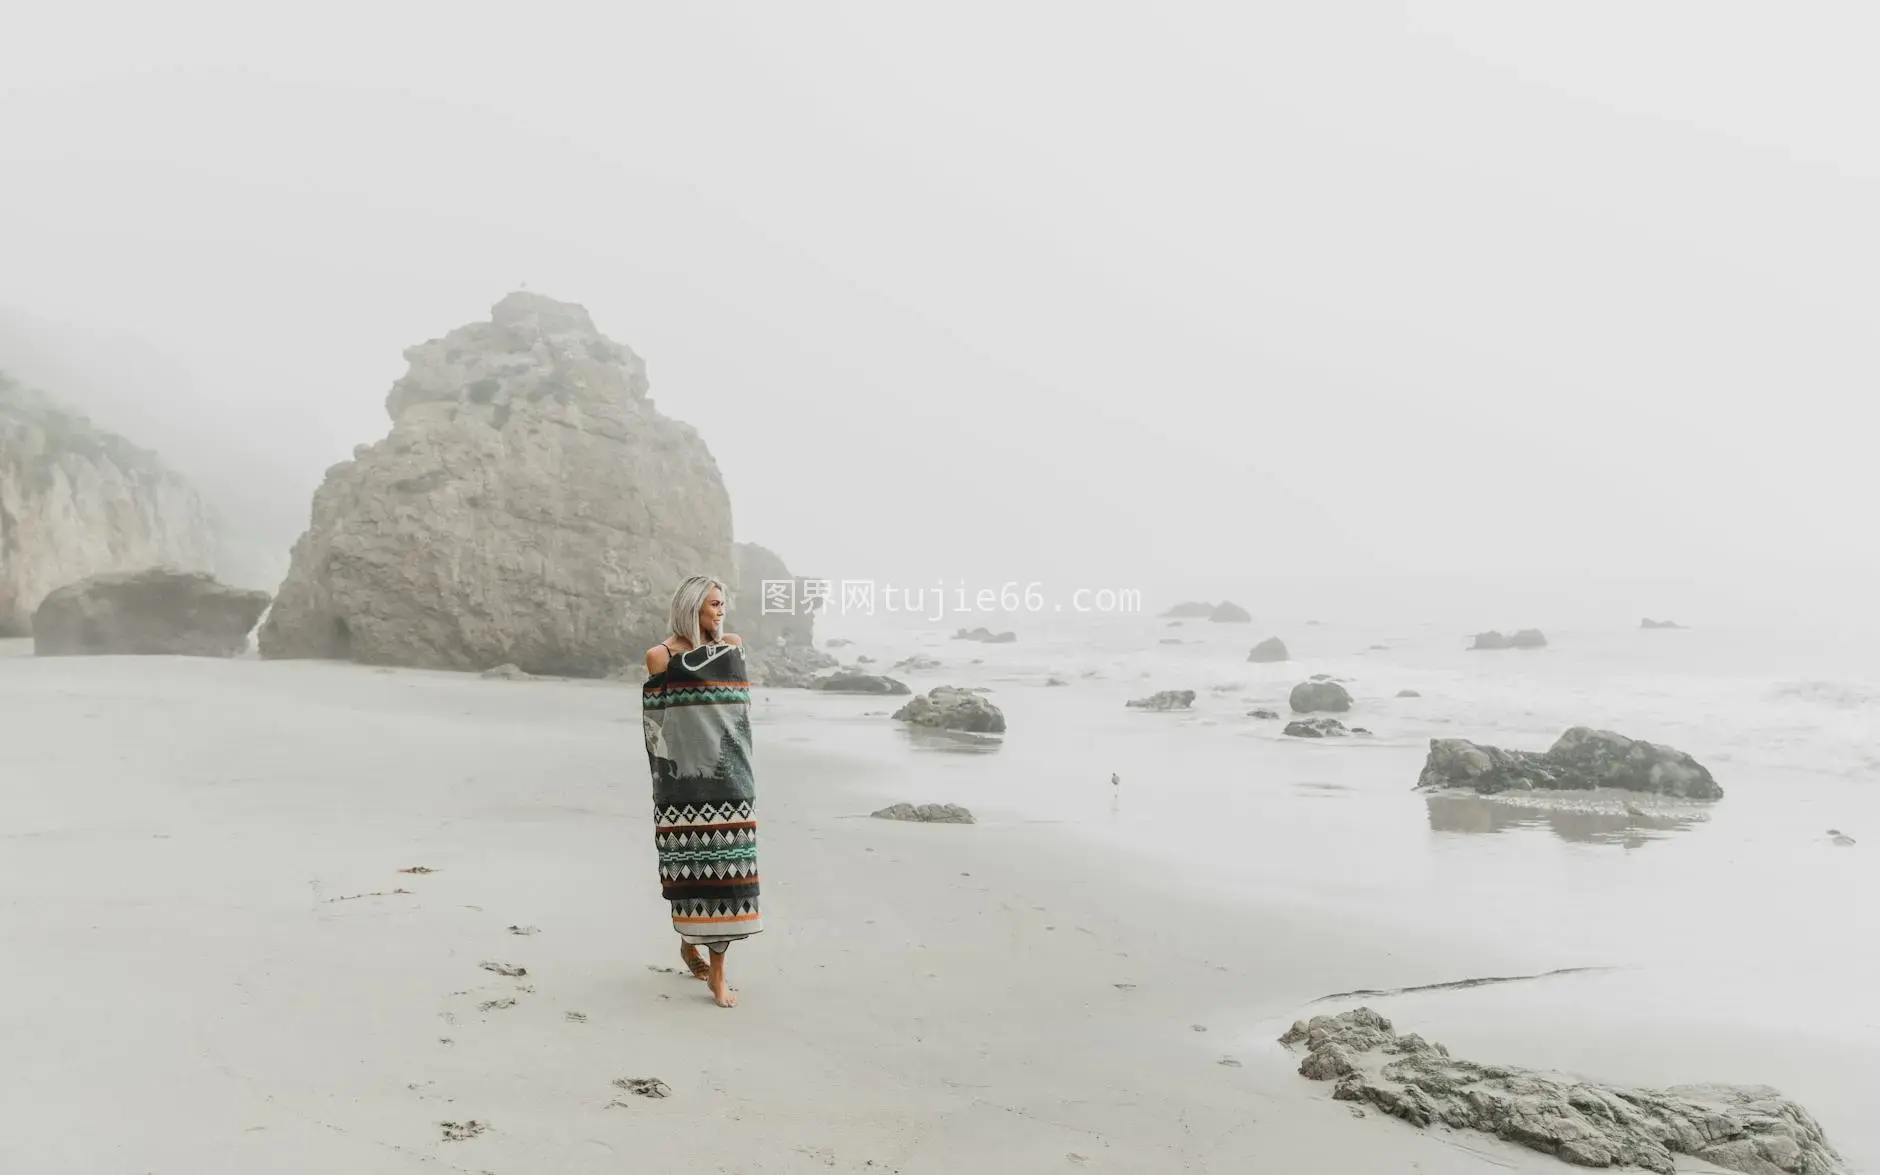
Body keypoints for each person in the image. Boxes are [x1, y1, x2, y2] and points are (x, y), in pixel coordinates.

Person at [641, 575, 761, 1008]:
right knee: (689, 875)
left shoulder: (731, 645)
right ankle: (689, 944)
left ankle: (718, 974)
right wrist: (667, 777)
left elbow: (737, 710)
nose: (720, 611)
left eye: (722, 603)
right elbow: (660, 722)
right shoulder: (661, 656)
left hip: (732, 777)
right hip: (683, 783)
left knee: (728, 878)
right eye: (712, 604)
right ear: (692, 607)